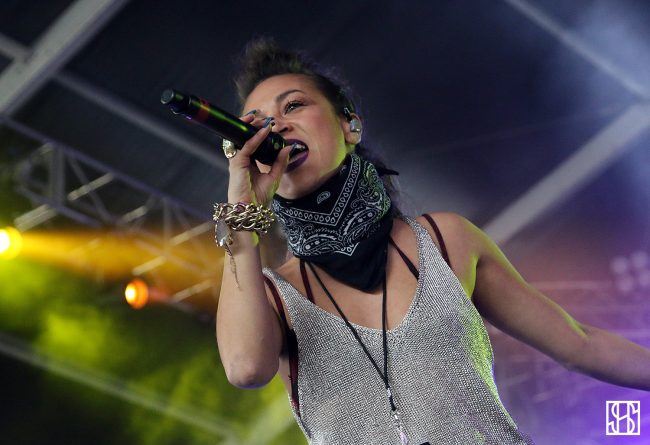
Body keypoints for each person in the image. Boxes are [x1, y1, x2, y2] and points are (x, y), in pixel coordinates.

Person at [215, 37, 650, 445]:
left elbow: (579, 344)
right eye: (259, 124)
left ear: (350, 125)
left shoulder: (444, 240)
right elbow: (246, 368)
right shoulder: (272, 294)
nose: (276, 127)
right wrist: (242, 208)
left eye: (294, 105)